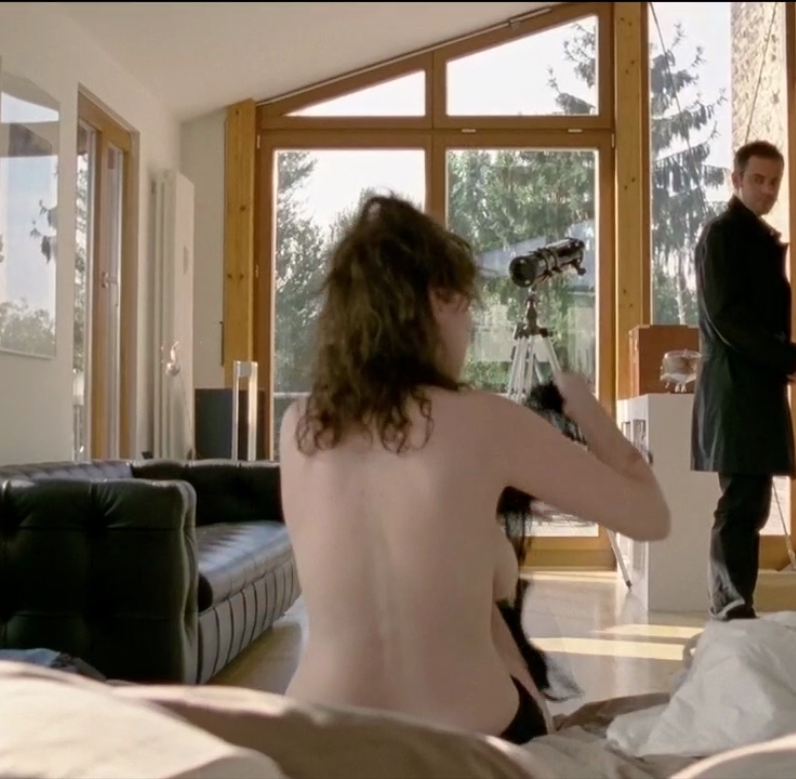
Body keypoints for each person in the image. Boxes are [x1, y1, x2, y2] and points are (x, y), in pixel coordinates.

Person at [278, 195, 671, 744]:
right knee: (490, 602)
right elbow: (651, 517)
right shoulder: (484, 419)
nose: (469, 325)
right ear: (439, 300)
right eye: (467, 307)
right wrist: (590, 414)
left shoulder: (300, 425)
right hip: (467, 737)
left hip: (318, 737)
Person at [691, 141, 796, 621]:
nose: (767, 190)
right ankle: (730, 606)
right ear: (736, 179)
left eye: (774, 182)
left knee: (751, 502)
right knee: (742, 503)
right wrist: (789, 357)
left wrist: (788, 359)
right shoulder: (724, 235)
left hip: (749, 388)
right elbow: (728, 318)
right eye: (758, 180)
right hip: (736, 392)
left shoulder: (750, 236)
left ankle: (735, 605)